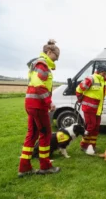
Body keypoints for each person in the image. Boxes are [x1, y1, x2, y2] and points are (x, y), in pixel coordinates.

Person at [18, 39, 60, 177]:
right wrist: (49, 102)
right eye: (56, 56)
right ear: (49, 52)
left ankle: (24, 168)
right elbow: (37, 83)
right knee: (46, 134)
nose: (57, 59)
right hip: (38, 106)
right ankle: (45, 166)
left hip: (30, 104)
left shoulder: (35, 64)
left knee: (32, 135)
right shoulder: (42, 64)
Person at [76, 63, 106, 153]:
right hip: (89, 109)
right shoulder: (91, 78)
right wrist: (80, 99)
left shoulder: (105, 82)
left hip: (98, 109)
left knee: (96, 127)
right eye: (104, 73)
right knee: (91, 126)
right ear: (99, 71)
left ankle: (92, 145)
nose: (105, 75)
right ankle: (84, 145)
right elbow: (79, 89)